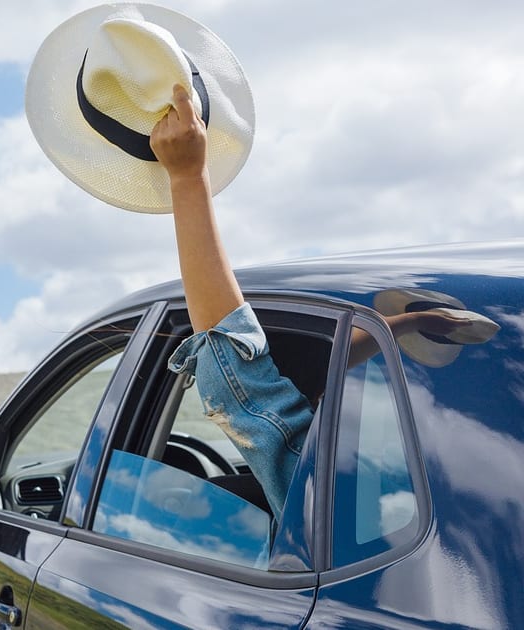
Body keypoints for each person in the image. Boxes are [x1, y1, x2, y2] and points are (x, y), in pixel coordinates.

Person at [149, 84, 472, 521]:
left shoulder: (320, 486)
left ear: (309, 396)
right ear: (322, 390)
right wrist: (402, 324)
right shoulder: (446, 479)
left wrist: (187, 179)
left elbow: (234, 364)